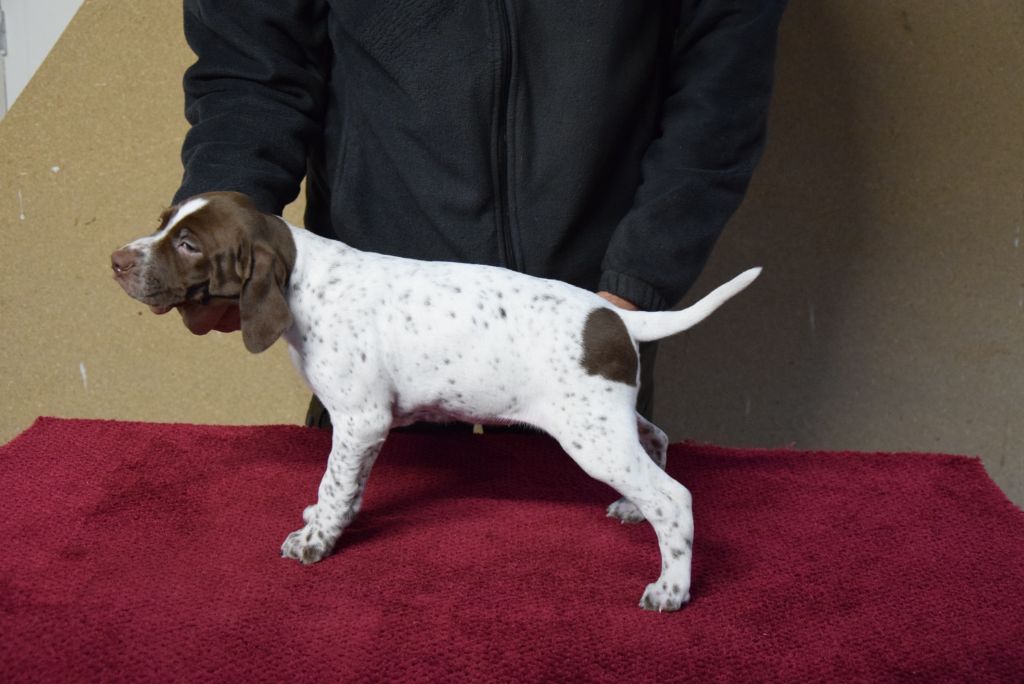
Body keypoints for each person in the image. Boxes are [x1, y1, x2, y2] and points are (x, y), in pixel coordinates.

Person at [158, 1, 787, 428]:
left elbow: (721, 90)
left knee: (597, 573)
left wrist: (634, 283)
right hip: (377, 337)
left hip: (579, 330)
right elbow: (250, 68)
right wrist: (216, 236)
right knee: (366, 584)